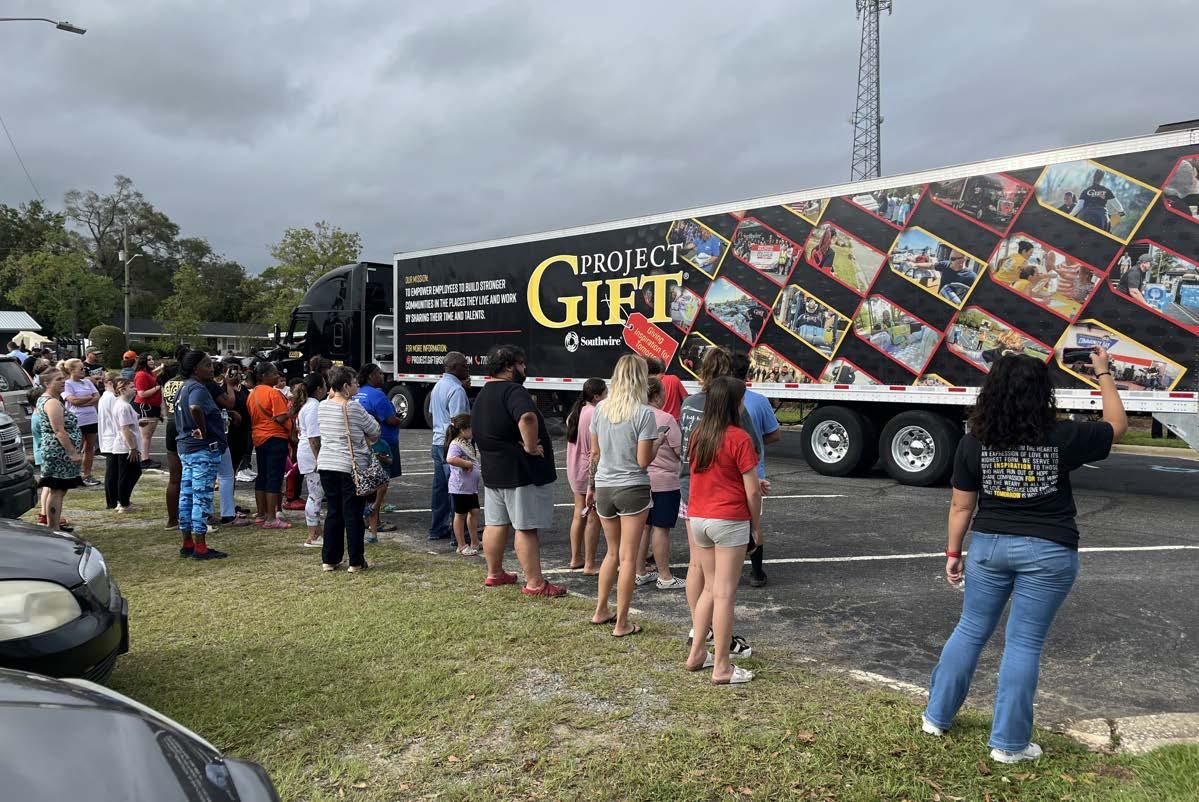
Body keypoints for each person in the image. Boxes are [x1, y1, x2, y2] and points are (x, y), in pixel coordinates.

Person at [922, 349, 1126, 763]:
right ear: (1043, 392)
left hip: (989, 547)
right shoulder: (1063, 435)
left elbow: (962, 507)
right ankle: (1009, 745)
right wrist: (1103, 371)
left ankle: (936, 716)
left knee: (970, 629)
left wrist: (953, 551)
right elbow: (1117, 426)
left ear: (991, 391)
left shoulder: (972, 442)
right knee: (1023, 644)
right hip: (1049, 550)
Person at [678, 347, 761, 658]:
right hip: (728, 518)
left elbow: (697, 470)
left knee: (708, 587)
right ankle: (722, 663)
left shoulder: (699, 431)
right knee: (724, 594)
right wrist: (757, 527)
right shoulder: (739, 437)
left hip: (698, 513)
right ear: (734, 405)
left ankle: (697, 650)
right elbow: (751, 491)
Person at [471, 344, 565, 596]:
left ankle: (494, 573)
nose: (525, 368)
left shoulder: (483, 393)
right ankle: (535, 583)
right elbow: (527, 417)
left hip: (494, 471)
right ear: (510, 367)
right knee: (525, 527)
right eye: (522, 364)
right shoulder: (514, 391)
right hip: (520, 472)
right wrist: (532, 446)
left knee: (495, 523)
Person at [586, 355, 667, 636]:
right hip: (632, 486)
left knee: (610, 553)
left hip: (605, 485)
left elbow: (594, 454)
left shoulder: (600, 409)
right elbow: (643, 460)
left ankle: (600, 610)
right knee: (629, 558)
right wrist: (658, 441)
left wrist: (591, 486)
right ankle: (622, 622)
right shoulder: (644, 414)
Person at [317, 366, 380, 573]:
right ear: (345, 386)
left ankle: (330, 559)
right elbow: (374, 430)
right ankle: (356, 561)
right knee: (353, 514)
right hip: (349, 466)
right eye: (354, 383)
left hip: (326, 463)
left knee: (334, 512)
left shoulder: (322, 406)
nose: (357, 386)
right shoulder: (353, 407)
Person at [730, 352, 781, 587]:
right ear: (748, 373)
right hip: (753, 472)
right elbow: (774, 434)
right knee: (753, 524)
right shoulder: (758, 400)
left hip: (723, 475)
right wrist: (755, 441)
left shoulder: (711, 400)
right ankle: (757, 572)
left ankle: (728, 571)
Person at [174, 351, 229, 561]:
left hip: (186, 449)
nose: (211, 368)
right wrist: (203, 430)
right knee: (201, 497)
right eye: (207, 365)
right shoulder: (197, 388)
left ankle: (187, 542)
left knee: (186, 495)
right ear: (195, 369)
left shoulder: (183, 387)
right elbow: (195, 407)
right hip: (202, 450)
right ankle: (200, 547)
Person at [637, 377, 685, 590]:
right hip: (665, 481)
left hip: (640, 479)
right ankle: (664, 576)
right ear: (656, 395)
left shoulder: (634, 415)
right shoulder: (666, 418)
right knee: (661, 528)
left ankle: (639, 571)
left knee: (642, 528)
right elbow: (679, 451)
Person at [32, 368, 84, 532]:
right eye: (58, 379)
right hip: (58, 451)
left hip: (57, 450)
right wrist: (72, 452)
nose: (63, 381)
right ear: (47, 383)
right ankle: (53, 528)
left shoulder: (51, 399)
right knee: (57, 489)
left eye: (63, 378)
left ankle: (52, 526)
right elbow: (59, 430)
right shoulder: (51, 402)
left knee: (57, 489)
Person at [354, 364, 401, 537]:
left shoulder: (357, 394)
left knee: (368, 483)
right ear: (371, 376)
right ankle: (376, 520)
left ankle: (367, 517)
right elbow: (389, 419)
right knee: (380, 483)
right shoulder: (378, 395)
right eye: (379, 373)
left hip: (363, 444)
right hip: (382, 443)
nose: (382, 376)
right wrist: (399, 420)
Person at [565, 378, 607, 573]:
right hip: (587, 468)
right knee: (592, 515)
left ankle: (575, 558)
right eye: (606, 393)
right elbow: (595, 450)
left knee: (578, 513)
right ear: (597, 396)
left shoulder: (577, 410)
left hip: (574, 467)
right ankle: (589, 564)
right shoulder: (593, 413)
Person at [429, 351, 471, 540]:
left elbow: (432, 413)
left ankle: (437, 529)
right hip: (451, 444)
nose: (467, 368)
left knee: (440, 489)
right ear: (454, 367)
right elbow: (459, 422)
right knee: (458, 489)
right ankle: (459, 534)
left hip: (437, 442)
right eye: (464, 365)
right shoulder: (456, 390)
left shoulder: (438, 386)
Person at [248, 362, 292, 528]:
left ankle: (261, 513)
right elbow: (281, 418)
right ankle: (272, 518)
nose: (277, 376)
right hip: (275, 437)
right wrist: (292, 411)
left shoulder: (252, 394)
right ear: (263, 376)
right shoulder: (273, 393)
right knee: (274, 477)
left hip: (259, 437)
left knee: (263, 475)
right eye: (274, 373)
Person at [296, 372, 327, 548]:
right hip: (311, 455)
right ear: (318, 389)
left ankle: (316, 533)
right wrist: (319, 460)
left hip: (306, 453)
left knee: (315, 494)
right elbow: (314, 439)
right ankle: (313, 536)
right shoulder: (314, 406)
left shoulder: (307, 404)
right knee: (315, 496)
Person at [445, 413, 482, 556]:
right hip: (460, 487)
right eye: (471, 428)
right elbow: (450, 458)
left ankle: (475, 541)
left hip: (470, 487)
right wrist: (465, 463)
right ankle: (461, 544)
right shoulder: (456, 443)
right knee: (460, 515)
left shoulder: (466, 442)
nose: (473, 431)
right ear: (463, 429)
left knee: (474, 512)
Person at [160, 351, 188, 530]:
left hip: (170, 426)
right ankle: (194, 516)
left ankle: (172, 519)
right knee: (192, 475)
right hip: (184, 426)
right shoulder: (190, 383)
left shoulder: (169, 383)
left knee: (174, 478)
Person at [62, 358, 101, 487]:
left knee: (90, 448)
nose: (83, 371)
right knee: (76, 448)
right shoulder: (67, 384)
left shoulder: (87, 382)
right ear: (71, 370)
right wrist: (89, 399)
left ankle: (87, 475)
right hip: (77, 420)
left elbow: (97, 397)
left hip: (91, 418)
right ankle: (73, 474)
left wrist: (83, 400)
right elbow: (73, 401)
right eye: (81, 369)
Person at [109, 377, 143, 512]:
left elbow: (129, 425)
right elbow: (125, 429)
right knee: (129, 474)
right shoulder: (123, 406)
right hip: (125, 447)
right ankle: (123, 503)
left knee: (130, 473)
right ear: (122, 390)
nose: (135, 389)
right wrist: (132, 448)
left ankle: (123, 501)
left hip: (125, 445)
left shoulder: (123, 405)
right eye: (131, 387)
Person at [133, 354, 163, 469]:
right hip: (145, 407)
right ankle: (144, 460)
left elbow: (156, 372)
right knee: (145, 435)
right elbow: (142, 393)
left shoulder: (148, 373)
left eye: (152, 359)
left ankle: (145, 457)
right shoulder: (141, 375)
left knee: (147, 436)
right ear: (143, 361)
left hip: (152, 407)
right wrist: (158, 387)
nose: (151, 361)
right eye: (148, 359)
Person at [97, 371, 121, 510]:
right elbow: (116, 418)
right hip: (112, 438)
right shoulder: (111, 397)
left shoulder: (107, 397)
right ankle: (112, 501)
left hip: (109, 437)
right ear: (110, 383)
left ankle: (114, 499)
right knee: (113, 472)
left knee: (113, 471)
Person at [645, 356, 687, 421]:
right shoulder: (674, 379)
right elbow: (686, 399)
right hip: (675, 421)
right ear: (665, 367)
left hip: (657, 420)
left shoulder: (649, 382)